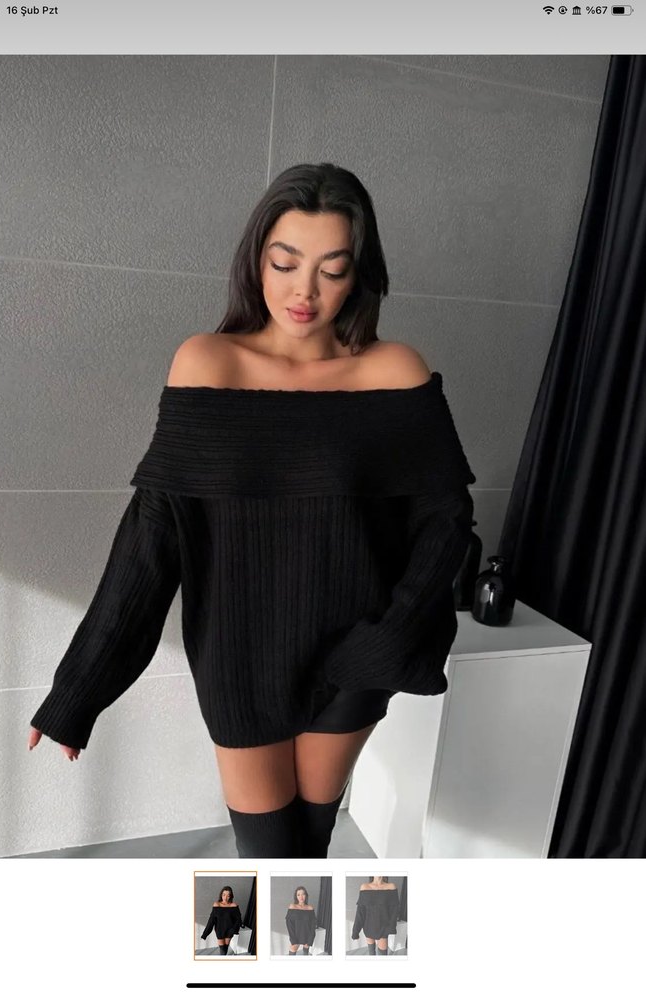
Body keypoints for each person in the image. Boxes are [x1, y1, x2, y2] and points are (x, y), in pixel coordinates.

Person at [28, 161, 476, 859]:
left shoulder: (395, 372)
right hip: (239, 654)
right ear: (256, 259)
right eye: (285, 263)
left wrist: (388, 640)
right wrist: (80, 686)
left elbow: (445, 524)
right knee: (267, 854)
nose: (305, 290)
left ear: (358, 274)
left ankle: (315, 935)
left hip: (357, 646)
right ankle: (266, 935)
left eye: (332, 269)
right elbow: (155, 532)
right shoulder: (208, 363)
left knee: (309, 846)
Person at [351, 876, 399, 955]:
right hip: (368, 926)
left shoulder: (391, 887)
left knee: (382, 955)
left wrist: (390, 927)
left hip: (383, 927)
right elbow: (360, 912)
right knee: (371, 953)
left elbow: (394, 911)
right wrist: (355, 931)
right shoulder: (364, 887)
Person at [200, 886, 242, 956]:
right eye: (224, 895)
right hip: (219, 930)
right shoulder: (217, 904)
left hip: (230, 930)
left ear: (230, 896)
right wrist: (205, 934)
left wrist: (234, 930)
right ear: (221, 895)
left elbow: (238, 920)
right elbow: (211, 920)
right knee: (222, 949)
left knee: (225, 947)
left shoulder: (234, 905)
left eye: (228, 895)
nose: (225, 897)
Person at [285, 885, 317, 955]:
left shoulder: (310, 908)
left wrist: (311, 937)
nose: (301, 897)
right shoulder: (292, 906)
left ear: (306, 896)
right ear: (296, 896)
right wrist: (293, 938)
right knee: (293, 949)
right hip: (296, 935)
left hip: (307, 934)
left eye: (303, 894)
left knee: (305, 952)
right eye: (298, 895)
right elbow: (289, 924)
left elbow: (313, 924)